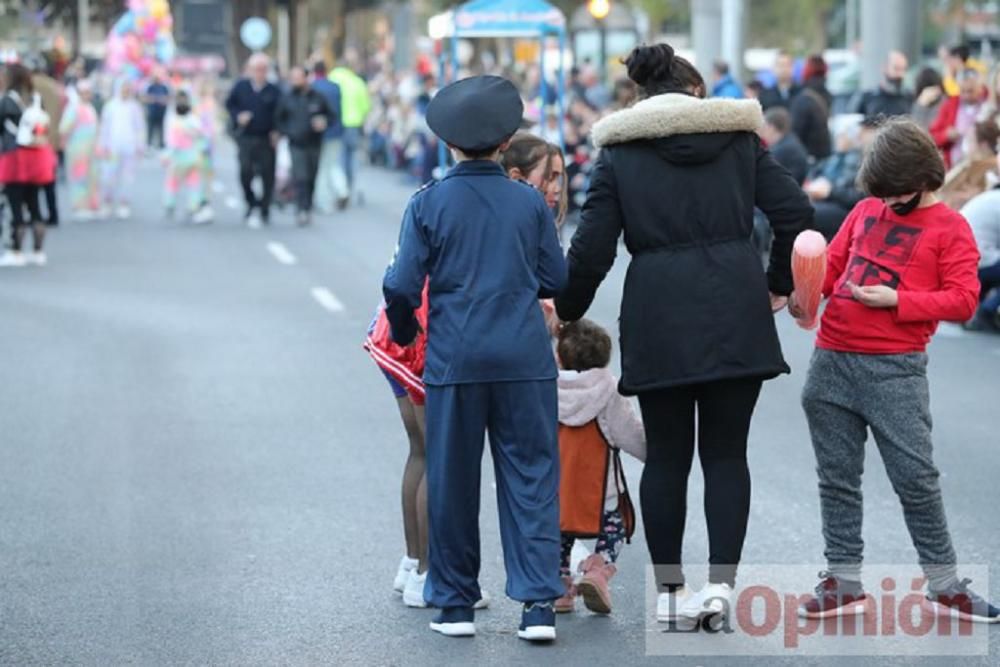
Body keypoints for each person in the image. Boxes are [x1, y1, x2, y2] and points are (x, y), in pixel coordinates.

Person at [553, 43, 812, 626]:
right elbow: (794, 211)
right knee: (727, 455)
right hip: (736, 309)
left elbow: (592, 247)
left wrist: (566, 309)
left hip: (658, 314)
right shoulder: (740, 141)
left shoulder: (619, 154)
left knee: (667, 458)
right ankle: (721, 589)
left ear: (640, 96)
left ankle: (669, 594)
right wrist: (773, 284)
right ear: (696, 90)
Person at [383, 75, 567, 641]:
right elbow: (555, 276)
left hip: (456, 357)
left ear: (448, 143)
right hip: (523, 356)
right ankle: (537, 606)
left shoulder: (428, 203)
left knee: (453, 478)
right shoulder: (528, 205)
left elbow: (400, 285)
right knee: (532, 476)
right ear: (506, 138)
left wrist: (407, 326)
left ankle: (455, 604)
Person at [793, 118, 999, 623]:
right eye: (880, 193)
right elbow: (833, 267)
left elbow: (965, 299)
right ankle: (842, 580)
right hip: (831, 359)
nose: (887, 203)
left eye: (896, 193)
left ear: (924, 178)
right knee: (836, 480)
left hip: (895, 370)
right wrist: (804, 293)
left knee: (916, 479)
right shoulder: (865, 209)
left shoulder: (951, 228)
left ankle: (945, 583)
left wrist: (899, 300)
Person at [553, 319, 644, 615]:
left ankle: (560, 588)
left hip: (558, 493)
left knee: (557, 537)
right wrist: (656, 453)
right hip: (601, 494)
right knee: (615, 527)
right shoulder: (610, 391)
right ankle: (598, 571)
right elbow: (629, 434)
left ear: (560, 357)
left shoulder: (547, 388)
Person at [0, 64, 57, 267]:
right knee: (34, 204)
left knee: (15, 206)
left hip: (14, 159)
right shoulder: (35, 100)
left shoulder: (7, 101)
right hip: (37, 158)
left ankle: (15, 250)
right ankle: (38, 250)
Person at [225, 53, 281, 228]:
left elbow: (281, 113)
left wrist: (277, 131)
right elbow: (229, 105)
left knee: (267, 175)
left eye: (263, 69)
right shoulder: (241, 87)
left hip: (266, 138)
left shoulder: (274, 90)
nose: (260, 73)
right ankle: (250, 202)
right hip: (246, 137)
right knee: (245, 172)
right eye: (257, 69)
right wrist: (238, 117)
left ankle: (264, 207)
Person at [275, 65, 332, 227]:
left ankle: (308, 207)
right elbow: (279, 119)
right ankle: (301, 208)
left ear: (306, 78)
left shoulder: (318, 97)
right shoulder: (287, 97)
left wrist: (324, 123)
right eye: (293, 78)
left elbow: (332, 116)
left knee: (312, 177)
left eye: (298, 77)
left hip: (314, 143)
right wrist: (286, 132)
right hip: (296, 144)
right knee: (300, 177)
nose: (295, 81)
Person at [803, 116, 875, 240]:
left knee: (804, 213)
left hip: (843, 206)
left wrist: (829, 192)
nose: (839, 139)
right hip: (830, 201)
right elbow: (816, 172)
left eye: (843, 135)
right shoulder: (836, 157)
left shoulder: (857, 160)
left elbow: (857, 195)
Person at [960, 149, 1000, 331]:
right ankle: (986, 311)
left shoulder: (989, 197)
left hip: (963, 260)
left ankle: (971, 310)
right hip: (976, 261)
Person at [97, 80, 146, 219]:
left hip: (129, 147)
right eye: (123, 88)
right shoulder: (110, 106)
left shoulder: (135, 107)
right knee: (108, 176)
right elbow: (104, 127)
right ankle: (107, 202)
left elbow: (140, 128)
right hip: (112, 146)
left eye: (128, 89)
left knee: (127, 178)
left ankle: (124, 204)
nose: (125, 91)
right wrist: (102, 145)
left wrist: (140, 145)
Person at [163, 90, 213, 224]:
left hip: (188, 158)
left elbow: (201, 138)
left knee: (190, 183)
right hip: (184, 158)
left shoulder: (190, 120)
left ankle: (190, 206)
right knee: (183, 183)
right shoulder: (177, 120)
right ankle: (174, 203)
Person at [329, 58, 371, 208]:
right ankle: (350, 185)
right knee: (352, 157)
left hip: (337, 124)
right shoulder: (357, 82)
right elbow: (366, 106)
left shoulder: (332, 78)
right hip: (354, 124)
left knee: (338, 158)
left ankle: (341, 189)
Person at [58, 80, 100, 221]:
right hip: (77, 149)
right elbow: (64, 128)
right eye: (83, 92)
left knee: (91, 177)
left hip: (91, 149)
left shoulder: (90, 108)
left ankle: (89, 205)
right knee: (78, 177)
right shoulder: (73, 108)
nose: (86, 95)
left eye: (88, 92)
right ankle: (79, 206)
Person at [930, 68, 987, 170]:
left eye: (970, 91)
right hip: (955, 164)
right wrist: (946, 135)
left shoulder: (988, 104)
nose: (966, 95)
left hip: (984, 162)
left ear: (980, 88)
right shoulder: (950, 105)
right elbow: (932, 136)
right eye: (962, 91)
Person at [938, 117, 999, 211]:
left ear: (983, 145)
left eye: (970, 140)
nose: (966, 145)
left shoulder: (984, 168)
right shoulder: (969, 164)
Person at [310, 61, 346, 214]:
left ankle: (323, 200)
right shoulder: (335, 87)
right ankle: (342, 190)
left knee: (321, 168)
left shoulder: (313, 87)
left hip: (318, 133)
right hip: (336, 130)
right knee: (332, 164)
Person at [30, 62, 63, 228]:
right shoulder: (54, 86)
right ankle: (53, 214)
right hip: (52, 138)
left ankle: (34, 214)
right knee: (50, 180)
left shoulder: (29, 86)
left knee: (32, 182)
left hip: (34, 140)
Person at [790, 54, 833, 160]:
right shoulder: (828, 95)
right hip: (825, 154)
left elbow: (796, 132)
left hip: (807, 155)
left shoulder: (803, 97)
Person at [852, 50, 913, 119]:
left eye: (903, 69)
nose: (900, 74)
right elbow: (853, 124)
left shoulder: (910, 98)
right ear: (884, 68)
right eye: (896, 68)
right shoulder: (866, 98)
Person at [759, 107, 809, 185]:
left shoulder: (782, 150)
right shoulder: (790, 140)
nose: (761, 133)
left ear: (771, 127)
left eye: (763, 127)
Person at [144, 72, 170, 149]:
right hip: (152, 112)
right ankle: (149, 144)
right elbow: (147, 98)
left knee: (161, 129)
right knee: (150, 129)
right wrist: (155, 99)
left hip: (161, 112)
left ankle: (161, 144)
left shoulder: (164, 87)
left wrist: (159, 99)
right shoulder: (150, 87)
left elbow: (167, 98)